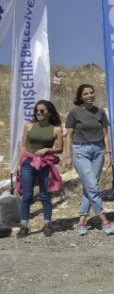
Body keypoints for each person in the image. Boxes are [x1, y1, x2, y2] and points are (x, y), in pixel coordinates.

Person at [64, 84, 114, 236]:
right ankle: (103, 219)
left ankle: (81, 222)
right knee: (92, 186)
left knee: (89, 186)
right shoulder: (74, 113)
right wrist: (67, 156)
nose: (90, 96)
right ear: (80, 97)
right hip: (80, 151)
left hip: (98, 150)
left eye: (91, 93)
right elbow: (69, 136)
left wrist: (108, 153)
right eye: (86, 94)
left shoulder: (100, 112)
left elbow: (105, 134)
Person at [15, 100, 63, 238]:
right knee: (27, 196)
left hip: (44, 163)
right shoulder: (29, 126)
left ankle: (47, 224)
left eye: (42, 111)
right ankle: (24, 226)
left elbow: (60, 149)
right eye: (36, 111)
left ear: (49, 112)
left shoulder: (56, 129)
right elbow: (23, 146)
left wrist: (47, 149)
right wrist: (18, 164)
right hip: (28, 162)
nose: (38, 113)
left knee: (44, 195)